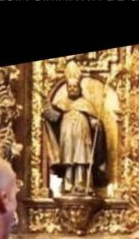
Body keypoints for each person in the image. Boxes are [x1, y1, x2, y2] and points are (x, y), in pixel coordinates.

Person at [44, 59, 107, 196]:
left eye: (75, 87)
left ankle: (83, 184)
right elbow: (54, 118)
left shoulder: (86, 104)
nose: (72, 89)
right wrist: (47, 111)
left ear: (79, 89)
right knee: (68, 160)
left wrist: (95, 123)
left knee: (82, 160)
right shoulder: (62, 103)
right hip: (67, 138)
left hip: (83, 137)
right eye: (70, 87)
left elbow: (94, 120)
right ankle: (68, 185)